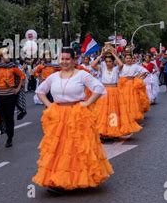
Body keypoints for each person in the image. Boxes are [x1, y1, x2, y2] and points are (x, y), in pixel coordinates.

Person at [33, 48, 112, 193]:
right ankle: (57, 180)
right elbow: (40, 91)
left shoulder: (81, 75)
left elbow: (99, 88)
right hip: (58, 116)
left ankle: (78, 180)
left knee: (77, 147)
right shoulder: (54, 76)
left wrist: (87, 103)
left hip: (77, 115)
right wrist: (50, 105)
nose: (64, 62)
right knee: (58, 148)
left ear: (74, 60)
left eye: (67, 59)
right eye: (62, 59)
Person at [91, 47, 142, 140]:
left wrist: (114, 54)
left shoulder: (116, 69)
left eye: (110, 61)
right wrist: (101, 55)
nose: (108, 63)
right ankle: (103, 132)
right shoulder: (102, 68)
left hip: (114, 92)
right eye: (106, 61)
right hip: (104, 92)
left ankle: (113, 131)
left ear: (113, 62)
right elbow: (93, 64)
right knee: (102, 113)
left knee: (112, 113)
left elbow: (121, 64)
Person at [0, 51, 25, 148]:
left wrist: (17, 88)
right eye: (6, 55)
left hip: (10, 96)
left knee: (9, 118)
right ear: (1, 57)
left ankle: (9, 139)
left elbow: (22, 76)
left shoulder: (12, 67)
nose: (9, 57)